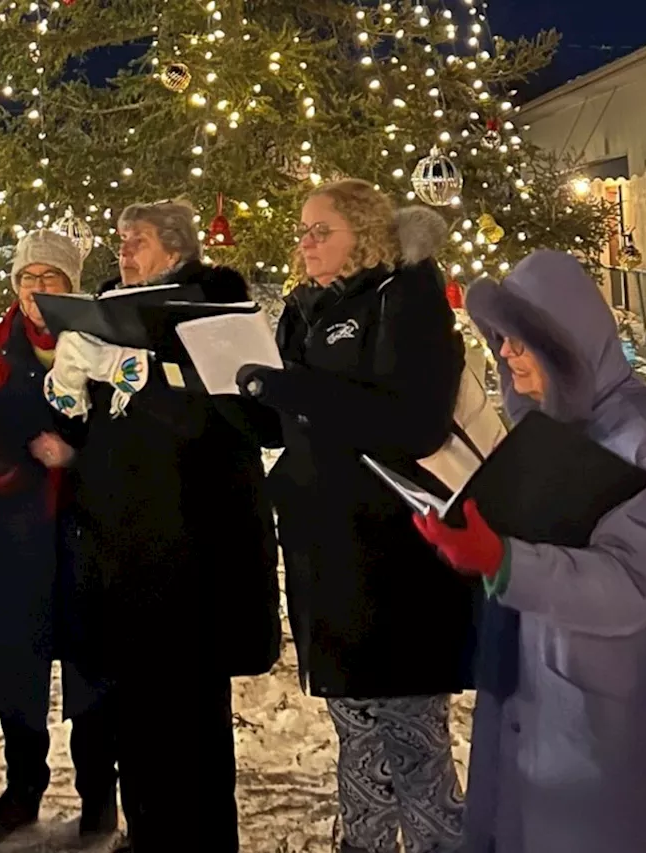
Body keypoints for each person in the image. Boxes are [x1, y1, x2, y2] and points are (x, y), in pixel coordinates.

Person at [414, 250, 646, 853]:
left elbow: (635, 586)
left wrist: (504, 562)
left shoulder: (645, 437)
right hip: (543, 701)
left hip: (622, 718)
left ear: (567, 344)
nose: (508, 353)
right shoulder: (553, 429)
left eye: (523, 340)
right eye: (502, 339)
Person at [234, 180, 473, 853]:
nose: (305, 242)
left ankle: (436, 844)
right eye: (302, 230)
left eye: (322, 230)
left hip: (396, 554)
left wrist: (293, 387)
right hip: (326, 551)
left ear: (364, 233)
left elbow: (413, 421)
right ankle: (364, 841)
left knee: (413, 737)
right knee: (356, 729)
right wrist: (239, 389)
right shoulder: (304, 310)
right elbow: (288, 424)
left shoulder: (406, 297)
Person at [44, 200, 280, 852]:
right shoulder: (108, 314)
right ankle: (148, 832)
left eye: (137, 240)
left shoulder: (213, 308)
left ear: (176, 250)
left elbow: (248, 423)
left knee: (192, 733)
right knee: (138, 728)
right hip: (120, 562)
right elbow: (90, 433)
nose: (124, 250)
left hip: (191, 563)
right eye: (120, 240)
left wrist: (149, 376)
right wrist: (70, 391)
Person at [0, 230, 116, 840]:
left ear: (70, 287)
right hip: (15, 534)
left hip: (86, 531)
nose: (38, 290)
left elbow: (125, 434)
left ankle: (98, 796)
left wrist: (78, 457)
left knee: (93, 670)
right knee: (14, 665)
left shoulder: (101, 344)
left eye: (51, 278)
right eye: (29, 278)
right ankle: (22, 787)